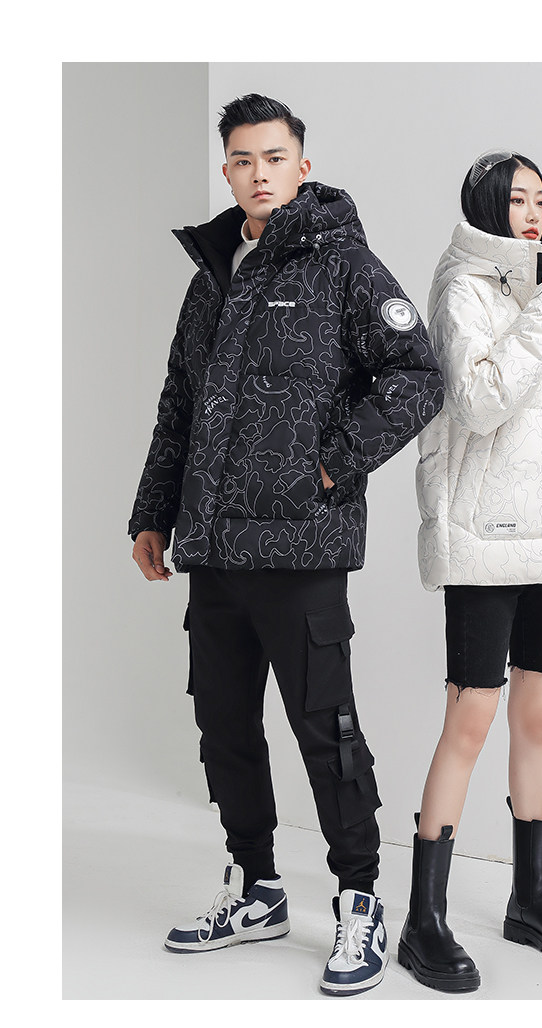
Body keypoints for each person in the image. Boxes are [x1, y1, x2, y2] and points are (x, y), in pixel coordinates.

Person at [128, 93, 443, 996]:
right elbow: (179, 402)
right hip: (215, 548)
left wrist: (331, 466)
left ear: (302, 167)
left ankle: (359, 900)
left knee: (326, 731)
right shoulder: (212, 277)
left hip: (301, 547)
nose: (258, 173)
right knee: (223, 722)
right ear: (226, 170)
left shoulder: (344, 265)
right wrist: (154, 512)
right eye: (242, 159)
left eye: (273, 157)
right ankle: (256, 890)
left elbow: (418, 376)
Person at [399, 150, 542, 992]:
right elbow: (481, 401)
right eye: (516, 199)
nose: (532, 213)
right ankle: (424, 920)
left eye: (540, 200)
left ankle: (531, 898)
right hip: (485, 537)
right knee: (471, 718)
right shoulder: (462, 286)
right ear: (487, 207)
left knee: (538, 714)